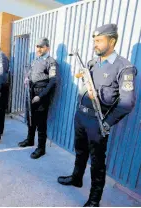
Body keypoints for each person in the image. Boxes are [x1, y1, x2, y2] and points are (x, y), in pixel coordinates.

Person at [57, 24, 137, 207]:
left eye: (99, 41)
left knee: (97, 162)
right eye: (94, 41)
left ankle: (94, 199)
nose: (95, 44)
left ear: (112, 41)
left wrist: (106, 124)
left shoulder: (124, 68)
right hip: (81, 116)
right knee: (80, 151)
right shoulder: (92, 62)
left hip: (98, 122)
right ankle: (77, 178)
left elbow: (127, 103)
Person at [18, 38, 58, 159]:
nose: (39, 49)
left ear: (48, 48)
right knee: (30, 118)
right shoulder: (35, 60)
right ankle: (30, 140)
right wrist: (27, 78)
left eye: (42, 47)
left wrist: (40, 96)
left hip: (41, 94)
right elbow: (30, 74)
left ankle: (41, 148)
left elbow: (52, 81)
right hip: (31, 92)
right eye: (37, 47)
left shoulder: (51, 61)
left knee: (41, 123)